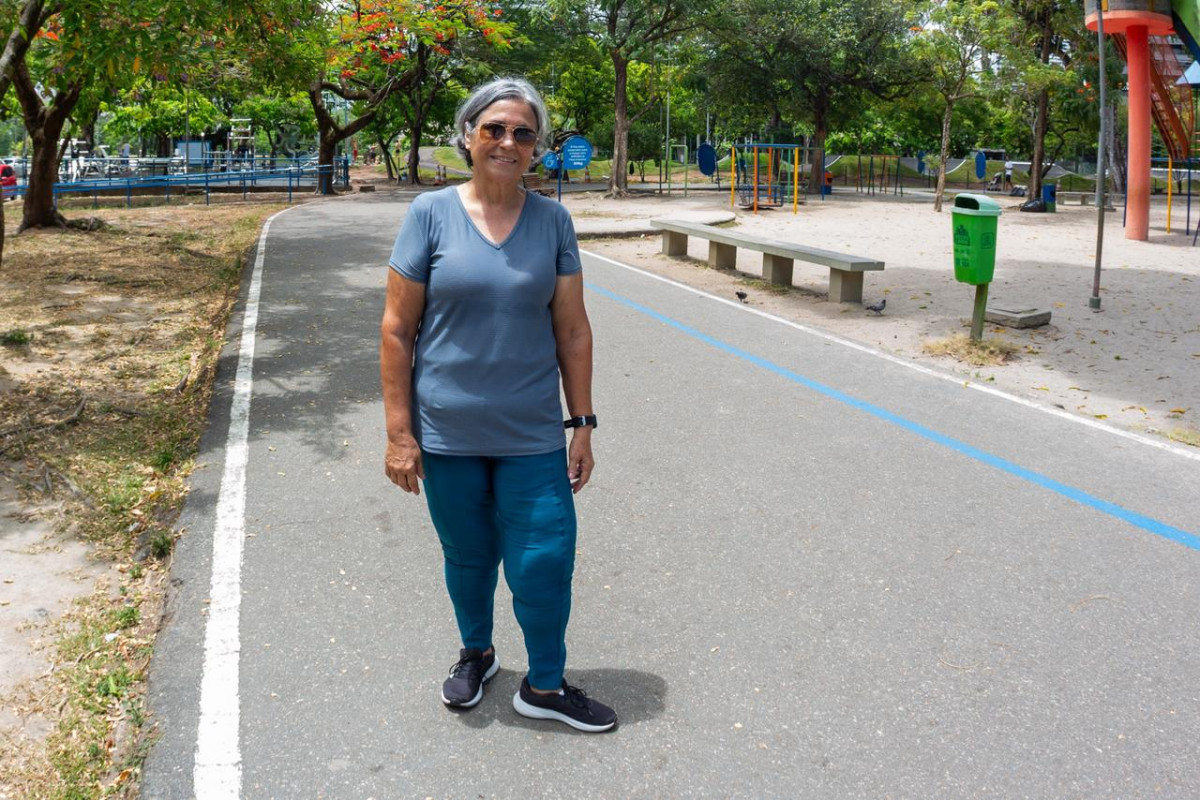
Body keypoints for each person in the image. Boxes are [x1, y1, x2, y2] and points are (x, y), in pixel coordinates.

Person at [380, 76, 617, 733]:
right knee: (469, 556)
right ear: (468, 136)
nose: (507, 141)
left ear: (536, 147)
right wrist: (400, 433)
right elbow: (397, 329)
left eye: (521, 132)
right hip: (447, 433)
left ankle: (543, 685)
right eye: (494, 129)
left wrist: (584, 423)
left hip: (532, 432)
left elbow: (572, 328)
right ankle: (477, 653)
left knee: (545, 559)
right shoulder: (429, 215)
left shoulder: (553, 221)